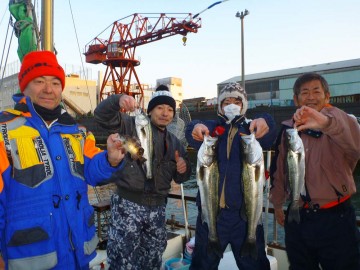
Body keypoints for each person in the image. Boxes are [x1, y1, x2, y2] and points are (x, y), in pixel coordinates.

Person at [0, 51, 126, 269]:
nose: (49, 89)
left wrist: (111, 159)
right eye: (39, 81)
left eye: (56, 82)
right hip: (30, 259)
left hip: (78, 256)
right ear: (25, 86)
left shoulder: (77, 131)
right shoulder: (4, 132)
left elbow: (93, 170)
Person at [94, 85, 192, 269]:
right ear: (150, 110)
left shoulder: (175, 142)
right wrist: (118, 99)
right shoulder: (131, 124)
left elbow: (182, 178)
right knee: (121, 259)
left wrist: (183, 168)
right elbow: (101, 116)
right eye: (160, 108)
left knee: (153, 258)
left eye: (170, 109)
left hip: (158, 209)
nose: (165, 113)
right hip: (127, 205)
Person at [269, 72, 360, 270]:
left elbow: (355, 146)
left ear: (327, 96)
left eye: (316, 91)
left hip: (337, 218)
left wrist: (325, 123)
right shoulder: (288, 131)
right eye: (305, 92)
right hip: (299, 217)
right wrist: (277, 205)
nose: (310, 96)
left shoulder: (343, 122)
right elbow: (279, 172)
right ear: (296, 99)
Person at [185, 82, 276, 270]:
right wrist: (195, 127)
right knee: (203, 264)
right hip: (212, 215)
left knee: (255, 264)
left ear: (244, 105)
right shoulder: (212, 128)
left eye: (237, 101)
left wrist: (266, 120)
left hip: (245, 215)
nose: (232, 105)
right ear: (220, 106)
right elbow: (192, 132)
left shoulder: (251, 129)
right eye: (226, 101)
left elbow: (269, 135)